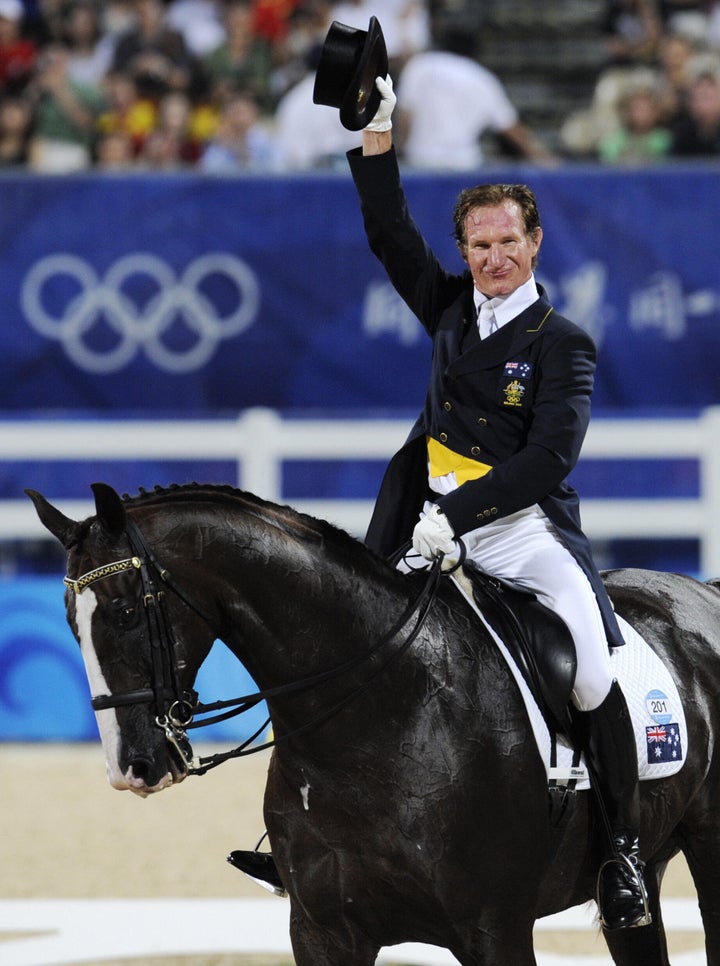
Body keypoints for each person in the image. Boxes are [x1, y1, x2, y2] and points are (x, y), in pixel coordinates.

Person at [343, 76, 650, 932]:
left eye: (507, 241)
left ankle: (623, 851)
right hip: (427, 528)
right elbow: (387, 233)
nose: (493, 258)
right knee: (351, 649)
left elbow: (549, 458)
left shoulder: (562, 344)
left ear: (534, 242)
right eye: (478, 245)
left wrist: (464, 514)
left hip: (518, 533)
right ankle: (313, 828)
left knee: (593, 669)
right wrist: (378, 135)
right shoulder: (448, 311)